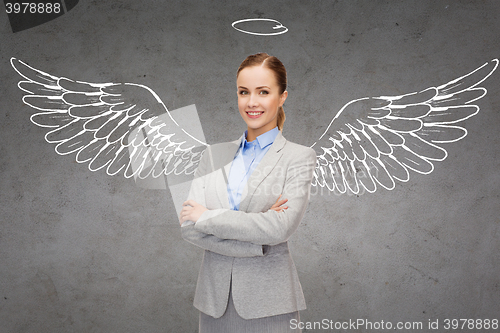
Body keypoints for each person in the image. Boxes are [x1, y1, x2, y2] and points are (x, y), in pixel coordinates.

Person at [179, 52, 316, 332]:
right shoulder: (213, 155)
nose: (252, 102)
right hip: (214, 304)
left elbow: (280, 228)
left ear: (282, 97)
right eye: (244, 92)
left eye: (263, 92)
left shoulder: (299, 157)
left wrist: (207, 216)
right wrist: (257, 242)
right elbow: (189, 227)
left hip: (270, 304)